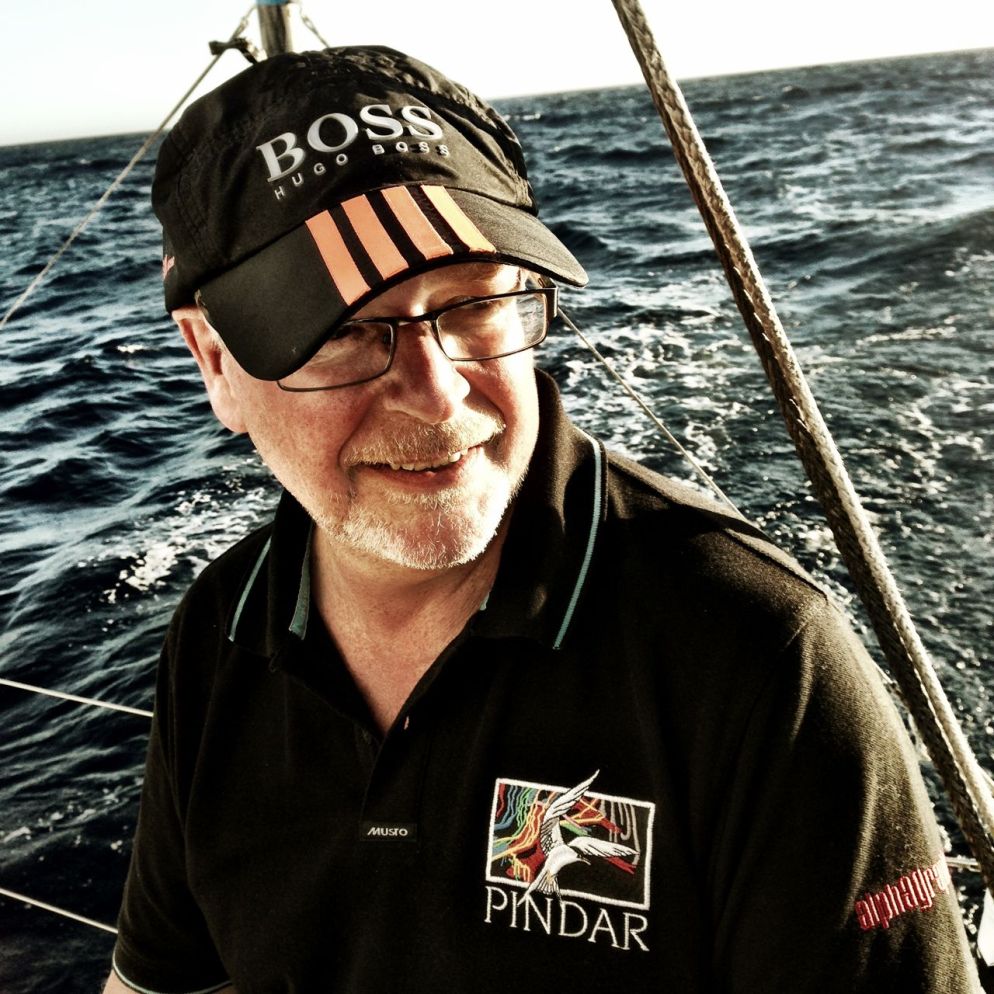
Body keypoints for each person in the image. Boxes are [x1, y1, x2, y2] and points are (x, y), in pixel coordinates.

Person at [104, 46, 981, 993]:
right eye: (345, 329)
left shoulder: (755, 653)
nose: (436, 395)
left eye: (475, 304)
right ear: (214, 363)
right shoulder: (221, 630)